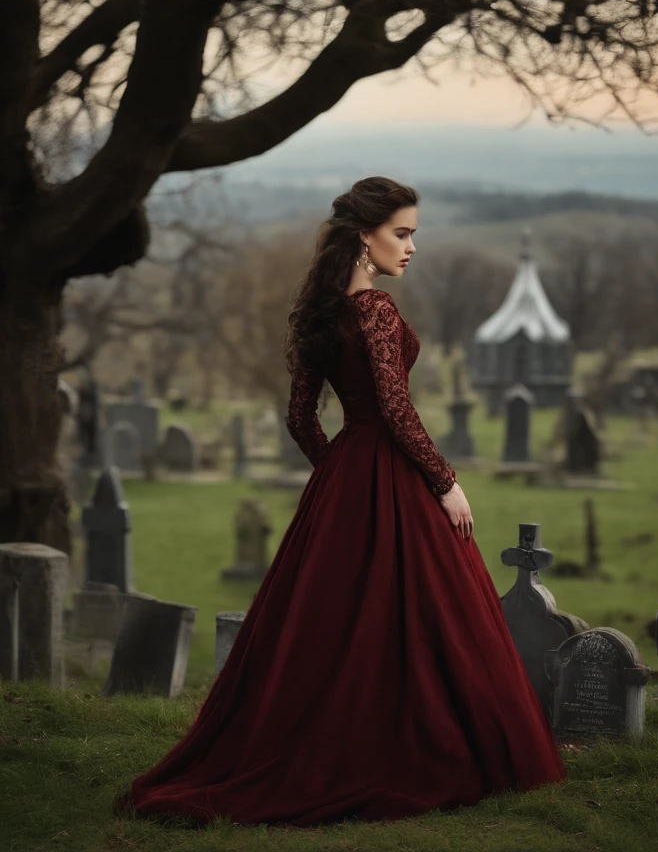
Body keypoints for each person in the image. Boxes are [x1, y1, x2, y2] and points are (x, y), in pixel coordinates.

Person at [115, 176, 565, 827]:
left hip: (347, 475)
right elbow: (394, 407)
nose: (413, 246)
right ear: (366, 236)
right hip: (391, 472)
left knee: (336, 624)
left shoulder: (324, 311)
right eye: (402, 233)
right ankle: (414, 747)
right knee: (427, 612)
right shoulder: (375, 310)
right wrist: (444, 481)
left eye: (414, 233)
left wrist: (340, 477)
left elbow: (301, 416)